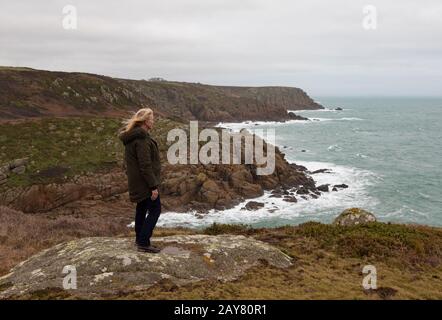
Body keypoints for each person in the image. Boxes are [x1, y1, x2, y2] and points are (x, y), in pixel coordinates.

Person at [119, 107, 162, 253]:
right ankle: (143, 241)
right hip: (145, 182)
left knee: (142, 209)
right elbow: (145, 165)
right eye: (151, 119)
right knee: (155, 210)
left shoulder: (133, 137)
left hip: (137, 181)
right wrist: (153, 186)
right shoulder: (142, 138)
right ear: (145, 121)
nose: (153, 121)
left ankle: (139, 239)